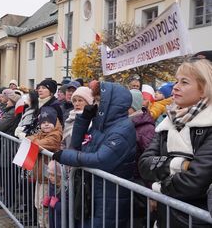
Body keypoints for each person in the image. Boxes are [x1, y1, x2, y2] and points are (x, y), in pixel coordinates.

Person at [139, 57, 212, 227]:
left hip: (196, 221)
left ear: (203, 90)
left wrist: (158, 187)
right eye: (176, 81)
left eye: (184, 82)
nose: (175, 87)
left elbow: (195, 182)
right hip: (165, 217)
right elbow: (144, 165)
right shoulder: (167, 123)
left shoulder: (209, 125)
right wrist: (181, 164)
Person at [52, 81, 136, 227]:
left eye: (98, 101)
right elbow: (77, 146)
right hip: (92, 192)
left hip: (108, 197)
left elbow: (101, 160)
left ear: (111, 104)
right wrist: (84, 119)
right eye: (95, 100)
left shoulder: (122, 129)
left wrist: (65, 156)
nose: (95, 105)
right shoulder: (99, 125)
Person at [27, 106, 63, 228]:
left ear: (55, 122)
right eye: (43, 123)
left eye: (49, 122)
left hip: (49, 178)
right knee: (38, 204)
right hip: (40, 176)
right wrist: (29, 139)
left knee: (44, 205)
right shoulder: (42, 134)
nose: (46, 125)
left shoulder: (56, 135)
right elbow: (32, 138)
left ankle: (45, 225)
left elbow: (41, 144)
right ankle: (40, 224)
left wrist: (29, 142)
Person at [129, 89, 156, 227]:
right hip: (132, 184)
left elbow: (151, 163)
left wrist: (152, 194)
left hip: (142, 187)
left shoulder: (146, 129)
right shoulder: (129, 124)